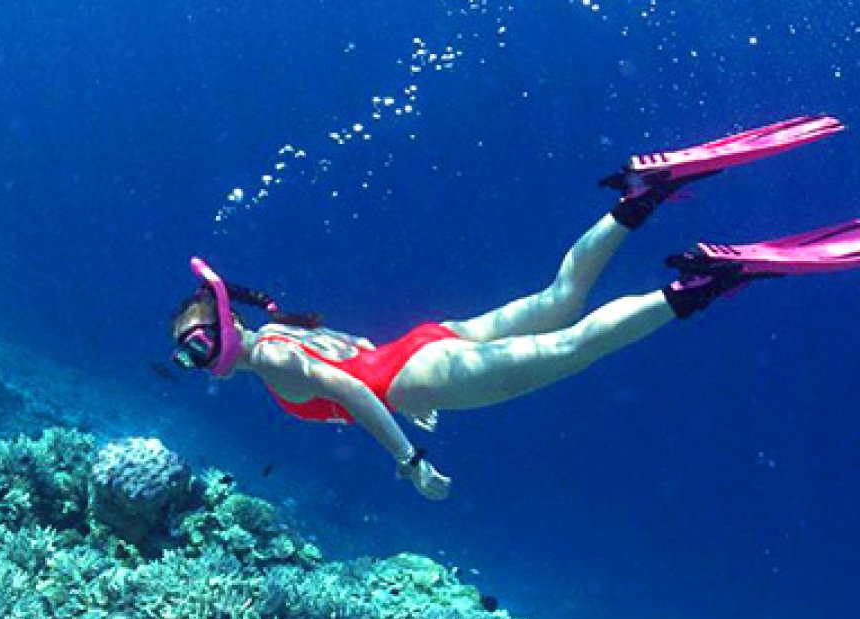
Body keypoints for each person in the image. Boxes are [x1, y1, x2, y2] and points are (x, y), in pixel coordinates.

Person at [170, 115, 855, 500]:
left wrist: (409, 462)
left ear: (224, 330)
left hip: (420, 374)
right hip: (422, 347)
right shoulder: (280, 330)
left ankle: (701, 282)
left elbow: (351, 388)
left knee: (573, 346)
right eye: (188, 354)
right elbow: (355, 359)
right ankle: (641, 195)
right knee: (560, 299)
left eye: (197, 347)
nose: (198, 363)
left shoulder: (272, 361)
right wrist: (403, 393)